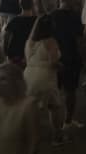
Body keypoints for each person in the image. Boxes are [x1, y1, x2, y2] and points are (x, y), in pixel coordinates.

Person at [23, 15, 66, 143]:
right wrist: (62, 66)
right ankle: (57, 136)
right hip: (45, 76)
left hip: (28, 75)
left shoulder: (29, 42)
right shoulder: (50, 41)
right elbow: (53, 62)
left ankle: (29, 135)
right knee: (54, 106)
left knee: (31, 107)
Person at [49, 0, 86, 130]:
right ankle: (68, 121)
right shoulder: (75, 16)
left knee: (54, 91)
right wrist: (84, 56)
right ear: (69, 0)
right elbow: (79, 40)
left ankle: (55, 121)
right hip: (71, 57)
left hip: (55, 57)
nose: (77, 1)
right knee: (70, 91)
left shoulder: (52, 15)